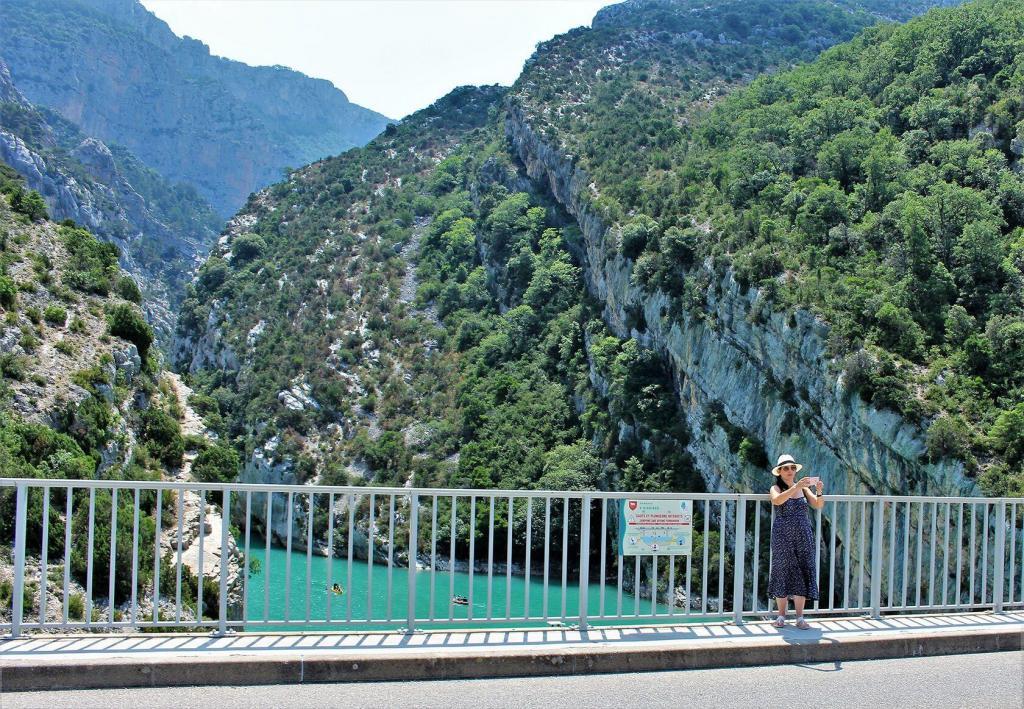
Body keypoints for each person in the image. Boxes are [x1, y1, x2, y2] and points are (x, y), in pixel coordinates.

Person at [768, 453, 824, 629]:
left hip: (803, 534)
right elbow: (777, 501)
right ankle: (781, 616)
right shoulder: (775, 488)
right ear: (779, 472)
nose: (790, 471)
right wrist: (795, 487)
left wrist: (819, 490)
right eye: (786, 468)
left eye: (792, 468)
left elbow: (818, 504)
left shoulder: (804, 489)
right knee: (782, 571)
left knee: (803, 570)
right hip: (782, 535)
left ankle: (800, 617)